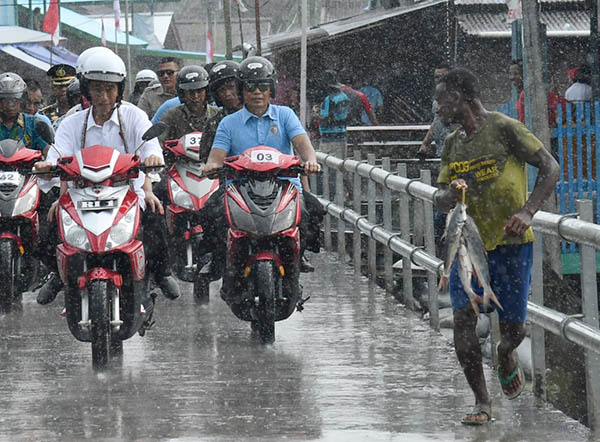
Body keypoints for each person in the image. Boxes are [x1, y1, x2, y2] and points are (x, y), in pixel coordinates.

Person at [433, 68, 559, 425]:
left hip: (510, 243)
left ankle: (505, 355)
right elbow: (441, 198)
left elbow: (550, 167)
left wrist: (528, 210)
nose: (438, 110)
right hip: (467, 247)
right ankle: (482, 400)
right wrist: (450, 193)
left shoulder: (505, 128)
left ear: (460, 100)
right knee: (462, 319)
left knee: (513, 330)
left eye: (442, 102)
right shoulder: (451, 144)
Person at [34, 47, 181, 305]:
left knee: (156, 217)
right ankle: (58, 274)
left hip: (126, 193)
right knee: (47, 227)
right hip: (80, 194)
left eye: (110, 89)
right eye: (97, 88)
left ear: (119, 89)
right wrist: (50, 172)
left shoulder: (134, 116)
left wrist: (149, 174)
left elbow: (149, 148)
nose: (103, 96)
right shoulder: (71, 123)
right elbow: (59, 158)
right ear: (86, 90)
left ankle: (161, 272)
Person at [202, 56, 323, 276]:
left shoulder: (285, 115)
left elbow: (304, 147)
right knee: (210, 213)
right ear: (241, 90)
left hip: (286, 187)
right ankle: (218, 260)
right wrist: (211, 166)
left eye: (262, 86)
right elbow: (215, 158)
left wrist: (310, 161)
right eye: (250, 86)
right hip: (238, 189)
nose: (257, 92)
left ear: (271, 89)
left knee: (313, 210)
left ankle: (300, 253)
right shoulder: (227, 123)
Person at [157, 65, 220, 146]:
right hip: (179, 158)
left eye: (199, 91)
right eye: (191, 92)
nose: (196, 96)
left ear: (206, 91)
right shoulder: (171, 115)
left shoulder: (217, 115)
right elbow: (159, 142)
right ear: (182, 94)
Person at [199, 60, 243, 162]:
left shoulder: (259, 115)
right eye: (222, 90)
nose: (227, 93)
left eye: (231, 87)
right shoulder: (213, 124)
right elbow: (206, 159)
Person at [0, 72, 49, 153]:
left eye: (14, 99)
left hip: (27, 165)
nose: (10, 105)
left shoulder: (34, 123)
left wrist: (46, 163)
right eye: (5, 100)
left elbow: (47, 150)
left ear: (22, 100)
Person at [418, 62, 455, 158]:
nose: (439, 80)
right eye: (437, 77)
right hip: (442, 152)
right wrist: (425, 143)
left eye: (443, 76)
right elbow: (436, 122)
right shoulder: (437, 99)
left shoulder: (460, 96)